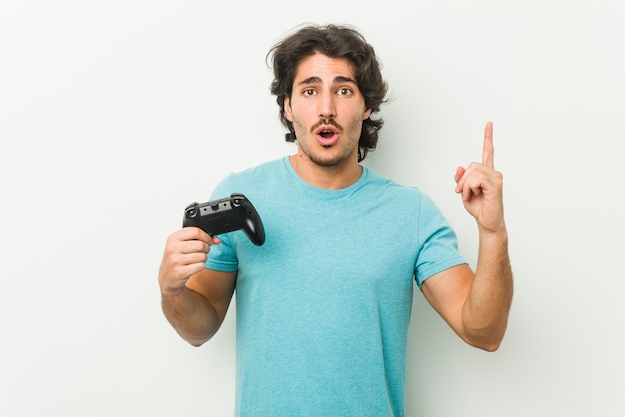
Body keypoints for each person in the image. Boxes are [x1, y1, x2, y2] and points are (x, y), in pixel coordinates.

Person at [158, 23, 513, 417]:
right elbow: (198, 328)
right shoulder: (240, 197)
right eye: (310, 90)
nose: (326, 107)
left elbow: (485, 332)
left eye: (343, 90)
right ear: (289, 106)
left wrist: (493, 232)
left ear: (365, 106)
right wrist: (173, 289)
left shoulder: (410, 213)